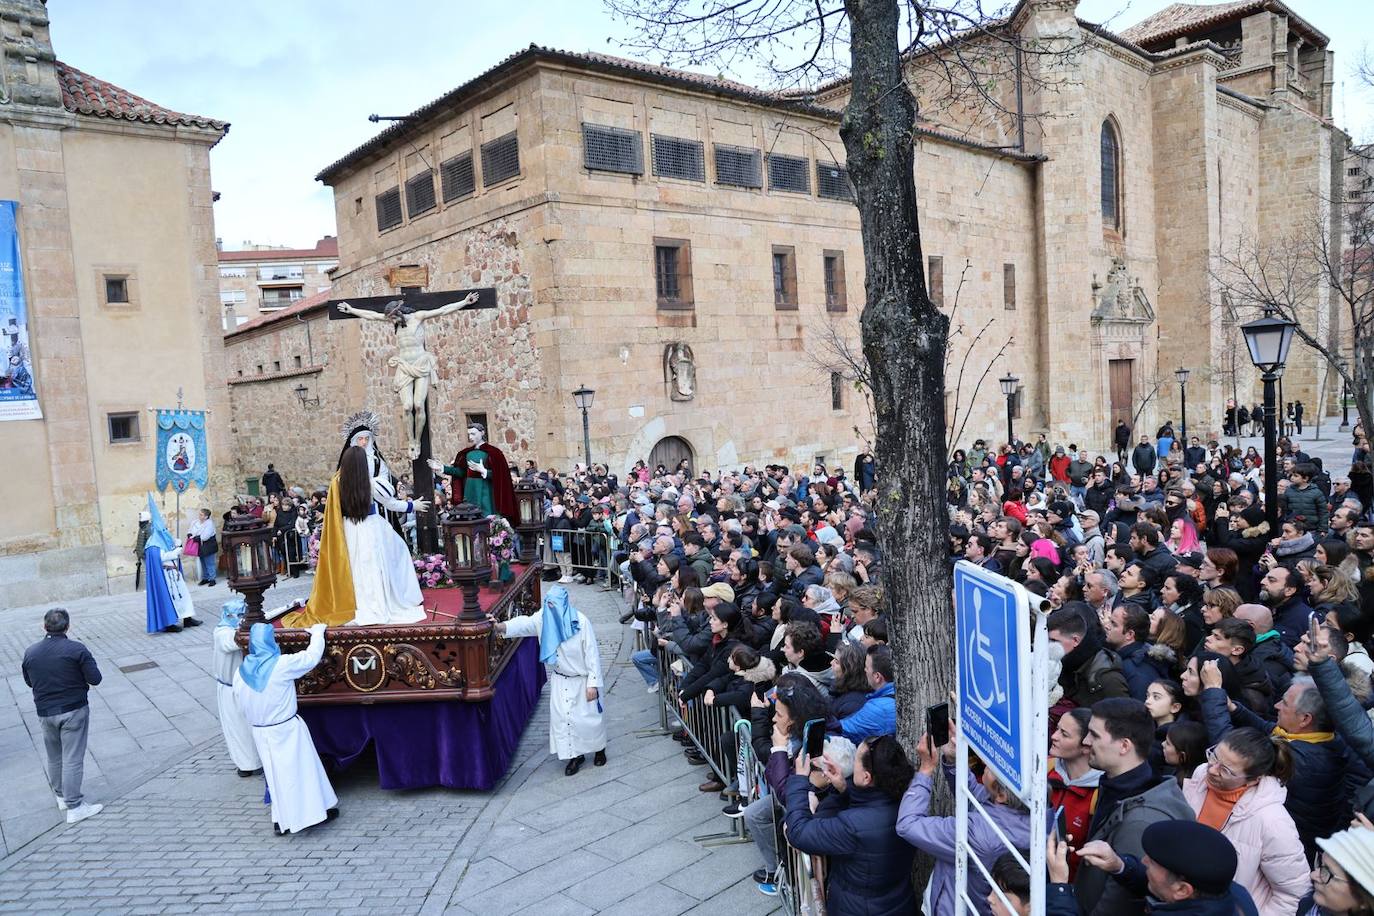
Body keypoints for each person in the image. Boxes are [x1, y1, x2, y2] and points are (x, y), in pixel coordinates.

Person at [287, 439, 429, 627]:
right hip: (371, 528)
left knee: (354, 568)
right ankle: (386, 600)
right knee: (384, 562)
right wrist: (413, 505)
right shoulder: (370, 484)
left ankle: (356, 605)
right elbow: (392, 504)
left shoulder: (336, 483)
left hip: (347, 530)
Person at [1075, 697, 1195, 915]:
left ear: (1124, 746)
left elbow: (1120, 902)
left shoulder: (1141, 820)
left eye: (1094, 735)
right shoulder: (1117, 784)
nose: (1085, 741)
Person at [898, 726, 1032, 915]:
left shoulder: (976, 832)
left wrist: (926, 769)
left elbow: (908, 825)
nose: (987, 763)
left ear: (1001, 794)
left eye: (995, 767)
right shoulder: (1027, 810)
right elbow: (978, 800)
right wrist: (954, 761)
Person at [1180, 727, 1311, 914]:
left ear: (1253, 780)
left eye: (1225, 770)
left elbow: (1294, 893)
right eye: (1214, 756)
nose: (1212, 769)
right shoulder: (1202, 774)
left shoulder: (1273, 822)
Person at [783, 734, 917, 915]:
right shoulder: (909, 803)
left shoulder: (853, 826)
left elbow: (799, 832)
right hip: (899, 904)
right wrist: (843, 789)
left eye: (856, 761)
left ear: (867, 777)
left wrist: (799, 780)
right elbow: (872, 807)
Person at [233, 622, 339, 835]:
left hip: (260, 731)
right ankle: (310, 815)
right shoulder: (280, 665)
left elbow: (239, 704)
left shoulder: (240, 673)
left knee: (275, 777)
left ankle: (280, 818)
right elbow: (310, 658)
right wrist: (317, 634)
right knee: (300, 773)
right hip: (285, 729)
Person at [492, 586, 607, 776]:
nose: (550, 607)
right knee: (564, 719)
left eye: (554, 604)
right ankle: (574, 756)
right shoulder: (543, 618)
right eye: (548, 603)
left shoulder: (581, 622)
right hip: (561, 680)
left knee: (588, 719)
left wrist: (593, 683)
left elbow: (592, 654)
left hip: (582, 679)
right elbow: (525, 624)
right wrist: (500, 626)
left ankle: (599, 749)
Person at [1065, 820, 1260, 914]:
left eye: (1153, 862)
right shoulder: (1229, 893)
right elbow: (1164, 883)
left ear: (1183, 890)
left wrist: (1059, 886)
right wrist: (1119, 865)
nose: (1143, 861)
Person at [21, 608, 103, 824]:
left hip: (45, 713)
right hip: (73, 710)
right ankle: (74, 806)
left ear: (43, 626)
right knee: (73, 758)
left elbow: (29, 681)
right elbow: (95, 679)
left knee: (54, 756)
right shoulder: (77, 649)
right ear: (68, 627)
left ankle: (61, 797)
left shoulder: (31, 652)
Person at [211, 600, 261, 778]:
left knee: (252, 725)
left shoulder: (241, 628)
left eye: (244, 615)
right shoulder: (222, 632)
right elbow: (232, 643)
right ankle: (245, 764)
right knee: (236, 728)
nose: (241, 619)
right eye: (238, 615)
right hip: (229, 688)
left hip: (247, 686)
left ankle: (258, 759)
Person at [141, 492, 202, 633]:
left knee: (184, 595)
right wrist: (174, 552)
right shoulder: (152, 544)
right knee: (170, 599)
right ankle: (169, 623)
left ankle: (187, 619)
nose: (165, 530)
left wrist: (176, 545)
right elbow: (159, 557)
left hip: (174, 574)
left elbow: (170, 547)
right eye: (162, 528)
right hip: (165, 575)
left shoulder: (165, 538)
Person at [1301, 828, 1374, 915]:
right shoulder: (1307, 904)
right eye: (1320, 863)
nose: (1313, 875)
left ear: (1363, 899)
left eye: (1328, 873)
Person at [189, 507, 218, 586]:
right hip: (200, 545)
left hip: (208, 545)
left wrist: (197, 537)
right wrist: (190, 534)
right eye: (199, 514)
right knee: (203, 562)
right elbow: (191, 530)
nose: (199, 516)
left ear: (206, 516)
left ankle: (212, 579)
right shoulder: (196, 522)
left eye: (201, 515)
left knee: (210, 562)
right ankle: (205, 578)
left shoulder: (209, 523)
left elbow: (206, 536)